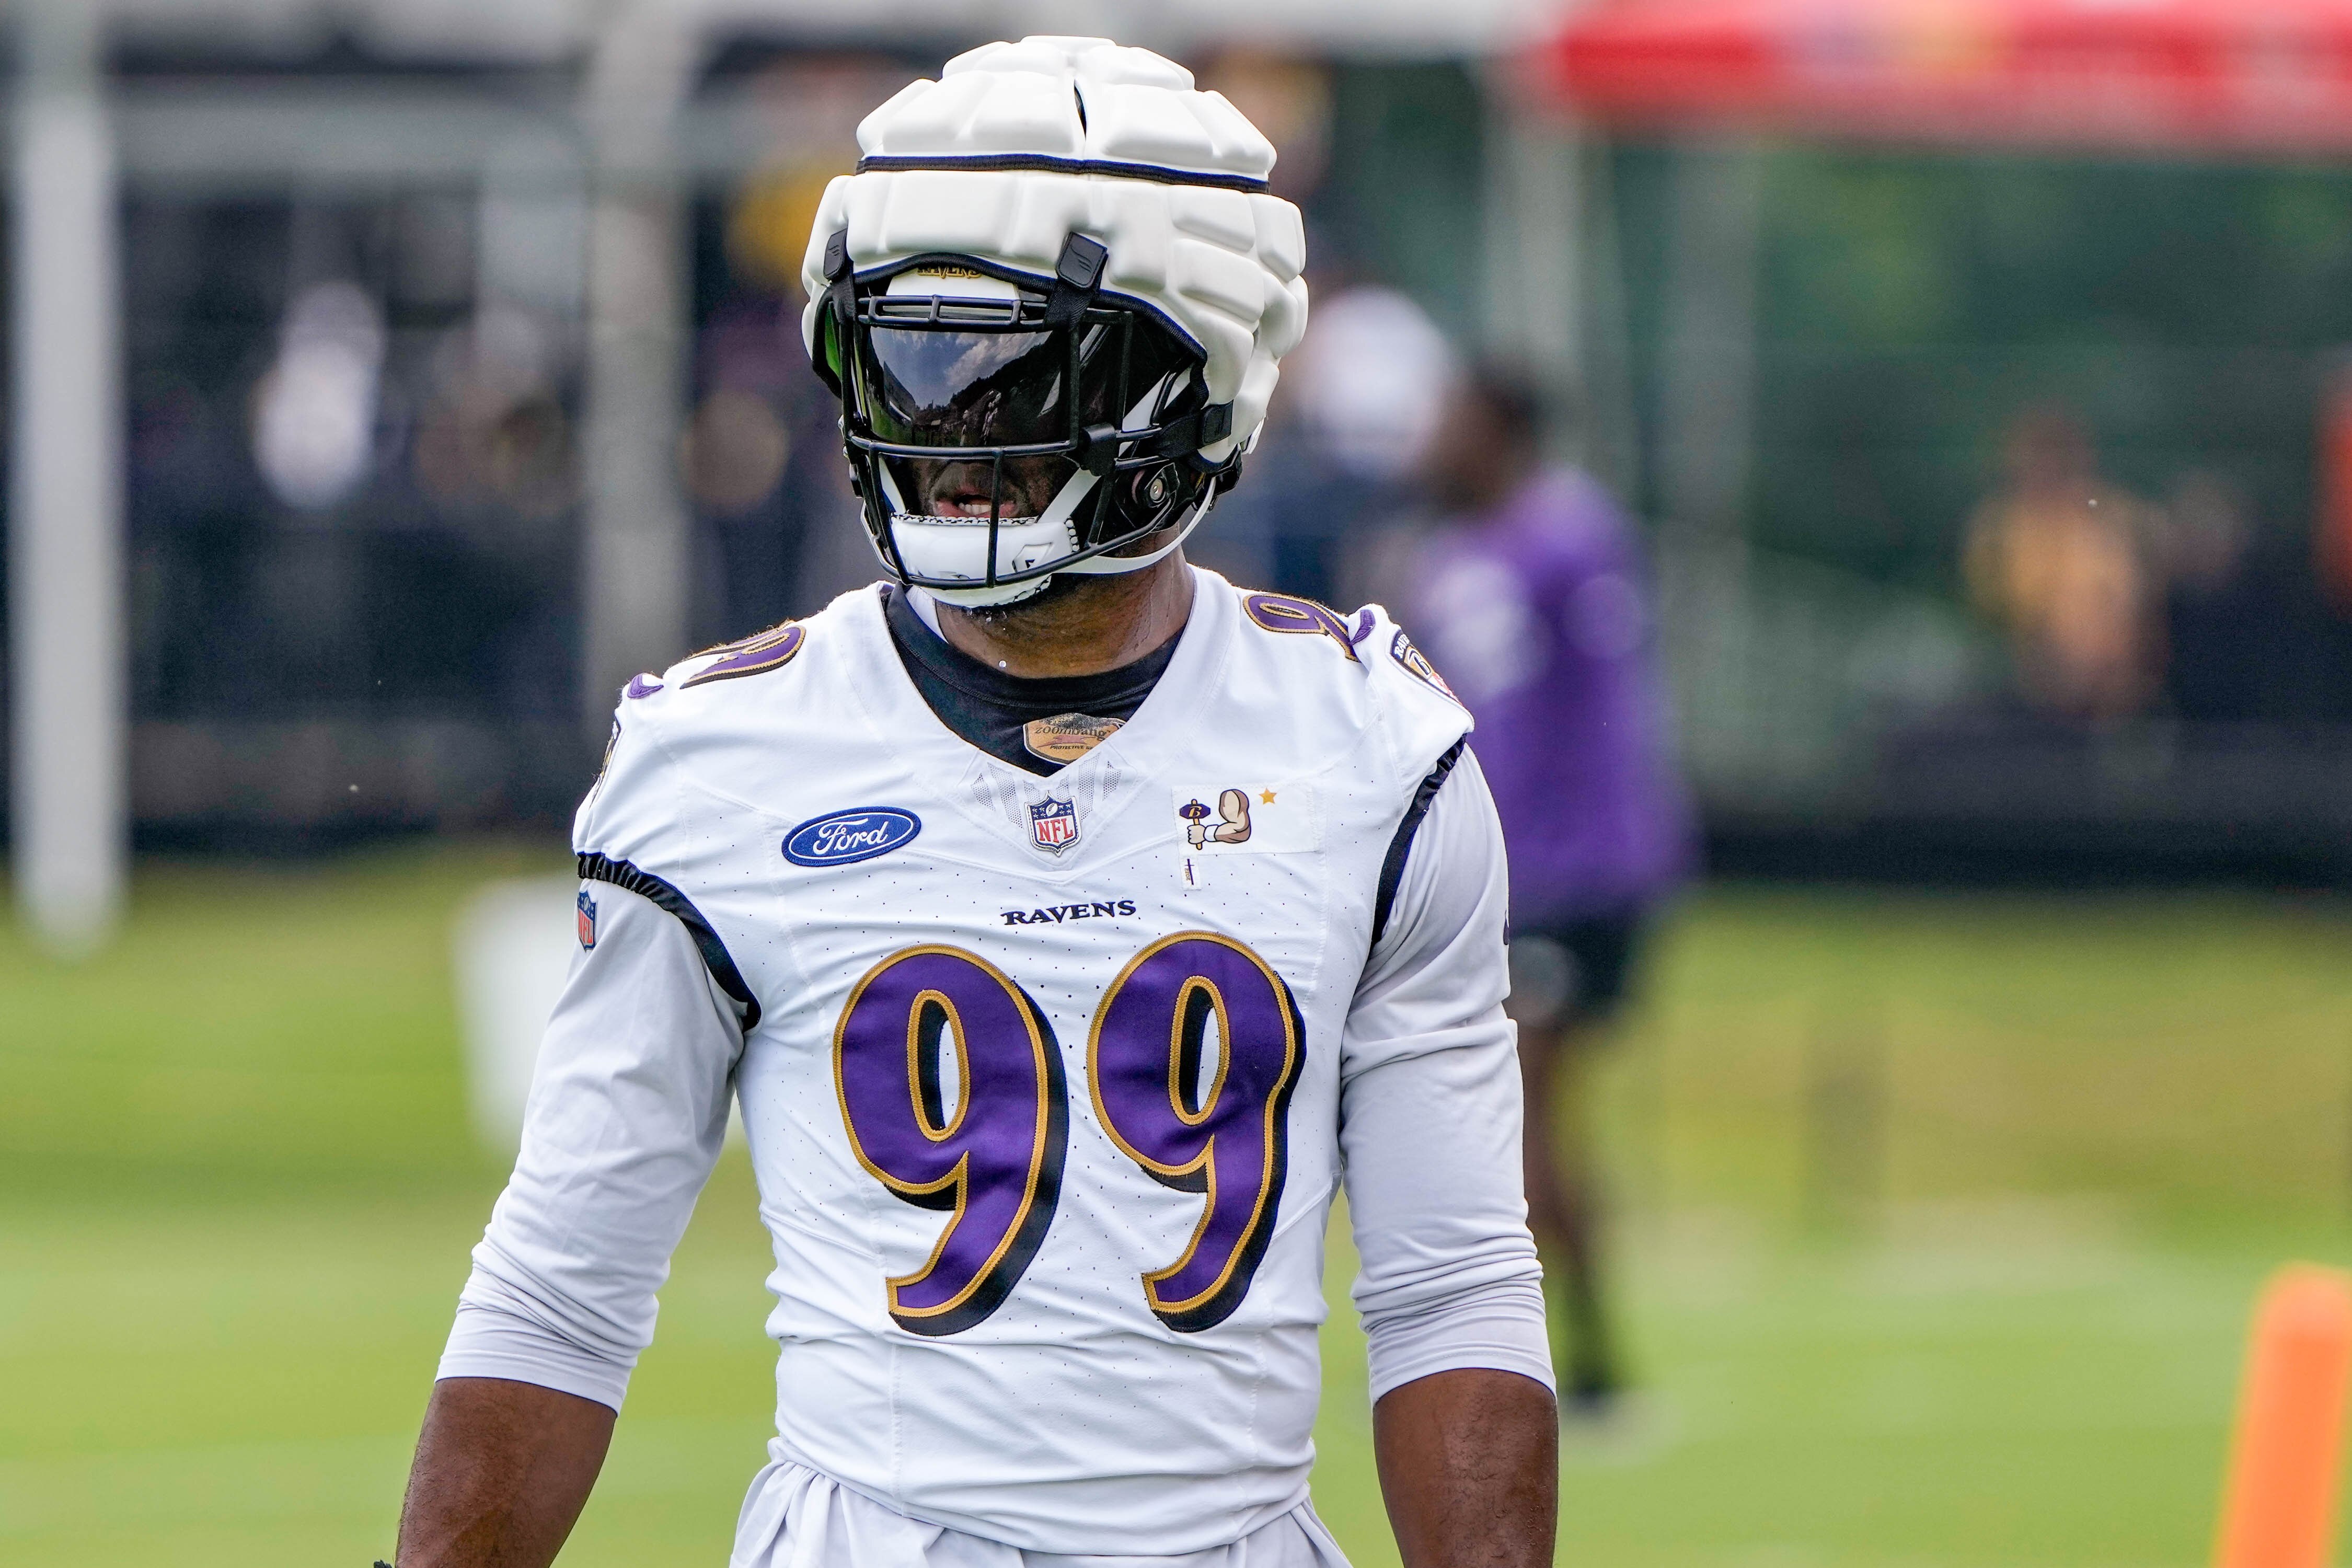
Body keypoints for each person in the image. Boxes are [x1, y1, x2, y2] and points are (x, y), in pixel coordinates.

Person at [387, 38, 1558, 1568]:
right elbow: (562, 1282)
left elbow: (1453, 1283)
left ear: (1180, 374)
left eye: (1009, 370)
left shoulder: (1370, 751)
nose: (945, 434)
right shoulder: (721, 757)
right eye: (909, 362)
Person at [1408, 362, 1694, 1412]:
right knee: (1488, 1117)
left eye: (1451, 418)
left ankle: (1581, 1365)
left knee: (1523, 1116)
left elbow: (1609, 718)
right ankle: (1552, 1361)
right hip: (1484, 880)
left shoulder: (1573, 540)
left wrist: (1608, 861)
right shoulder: (1445, 554)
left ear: (1502, 430)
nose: (1430, 438)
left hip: (1568, 878)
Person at [1962, 408, 2159, 720]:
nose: (2046, 467)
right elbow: (1993, 610)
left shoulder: (2111, 516)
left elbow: (2137, 600)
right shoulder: (1998, 527)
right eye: (2036, 456)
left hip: (2115, 687)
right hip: (2032, 687)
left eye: (2056, 456)